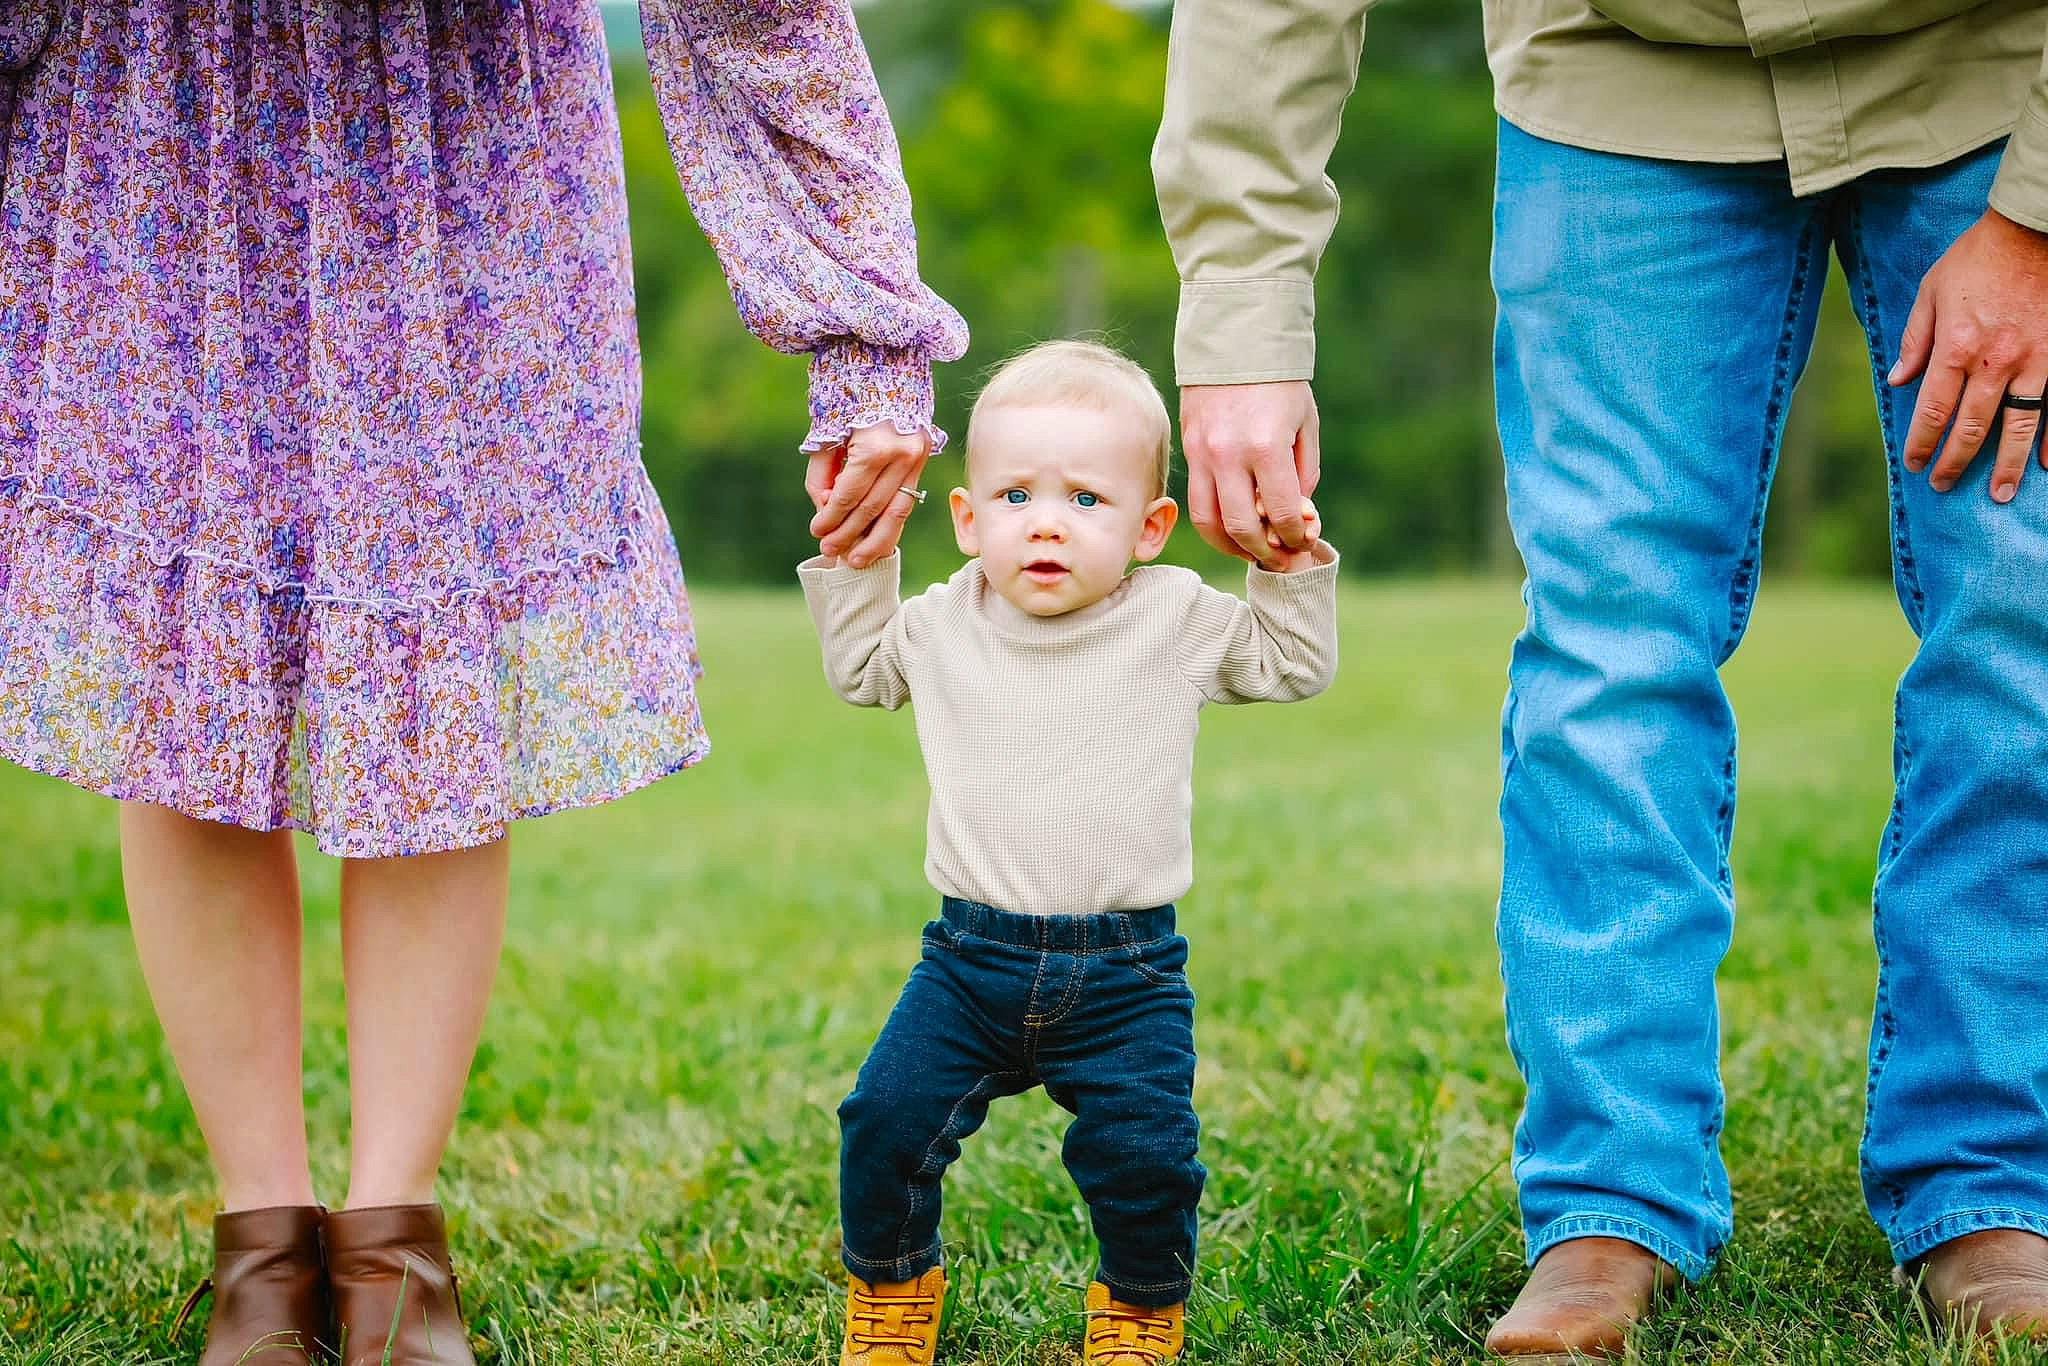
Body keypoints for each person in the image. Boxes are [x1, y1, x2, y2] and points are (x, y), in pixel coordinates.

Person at [0, 2, 963, 1362]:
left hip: (467, 154)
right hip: (172, 133)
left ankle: (394, 1244)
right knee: (192, 674)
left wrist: (864, 335)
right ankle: (261, 1248)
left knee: (435, 663)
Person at [1153, 0, 2048, 1357]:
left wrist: (2039, 211)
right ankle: (1609, 1199)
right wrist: (1241, 313)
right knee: (1609, 641)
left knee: (2020, 630)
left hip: (1988, 68)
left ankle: (1994, 1182)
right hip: (1616, 84)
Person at [799, 339, 1338, 1366]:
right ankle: (893, 1293)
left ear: (1149, 529)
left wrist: (1285, 564)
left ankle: (1137, 1313)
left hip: (1126, 970)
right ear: (965, 520)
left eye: (1086, 499)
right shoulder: (944, 621)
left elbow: (1290, 667)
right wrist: (857, 561)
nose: (1044, 520)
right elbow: (863, 674)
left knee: (1146, 1159)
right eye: (1012, 494)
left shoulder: (1174, 615)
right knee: (884, 1121)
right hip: (966, 963)